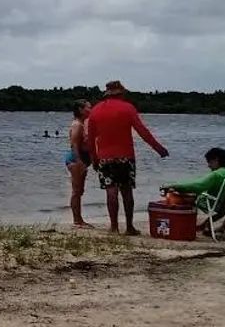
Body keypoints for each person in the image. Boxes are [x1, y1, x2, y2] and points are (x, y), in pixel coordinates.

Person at [86, 80, 169, 235]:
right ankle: (129, 227)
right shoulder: (128, 108)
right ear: (121, 93)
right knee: (126, 191)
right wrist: (159, 149)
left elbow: (90, 140)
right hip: (126, 156)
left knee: (111, 191)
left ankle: (114, 227)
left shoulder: (95, 111)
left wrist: (94, 159)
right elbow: (143, 132)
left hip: (105, 157)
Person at [165, 148, 225, 228]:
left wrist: (175, 186)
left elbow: (198, 186)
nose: (208, 165)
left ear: (216, 160)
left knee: (188, 197)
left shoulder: (216, 175)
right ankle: (224, 225)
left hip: (217, 203)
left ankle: (186, 224)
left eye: (209, 162)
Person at [64, 99, 94, 228]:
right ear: (80, 109)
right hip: (76, 161)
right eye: (88, 107)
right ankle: (77, 220)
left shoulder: (83, 124)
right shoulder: (77, 125)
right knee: (76, 190)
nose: (90, 110)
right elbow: (74, 144)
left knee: (79, 190)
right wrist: (79, 161)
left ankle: (79, 219)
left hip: (82, 160)